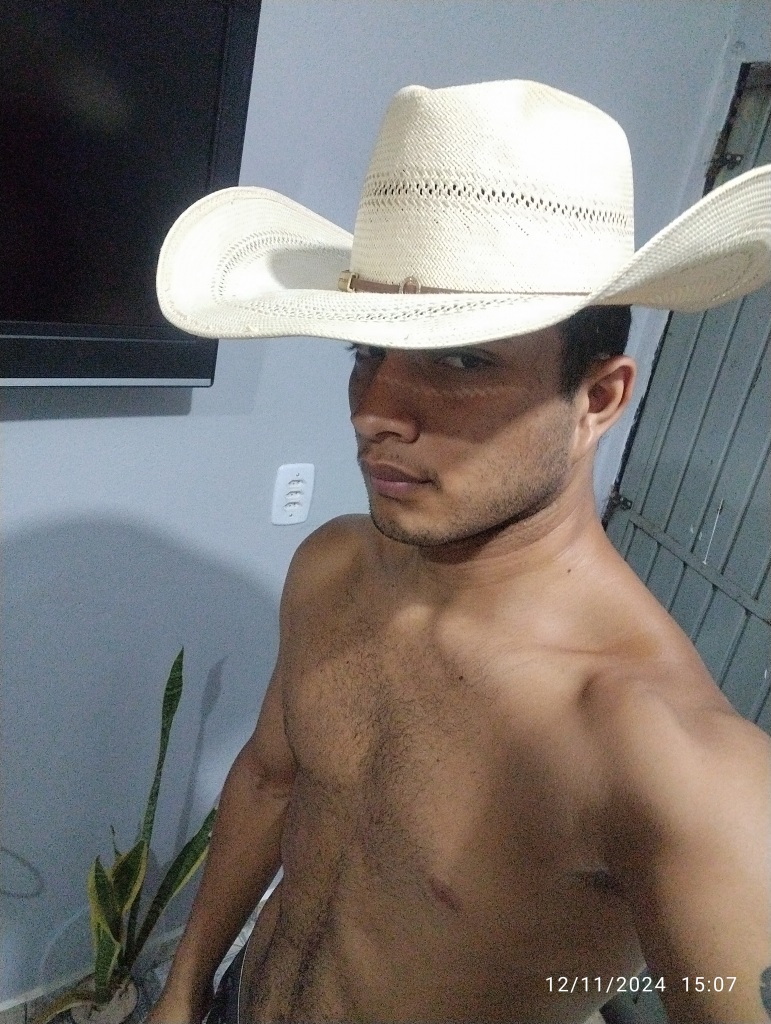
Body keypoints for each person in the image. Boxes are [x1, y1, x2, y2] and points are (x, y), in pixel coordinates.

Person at [149, 80, 771, 1023]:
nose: (374, 413)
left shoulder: (661, 754)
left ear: (598, 399)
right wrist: (182, 994)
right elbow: (272, 782)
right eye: (367, 351)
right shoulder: (333, 567)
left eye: (462, 361)